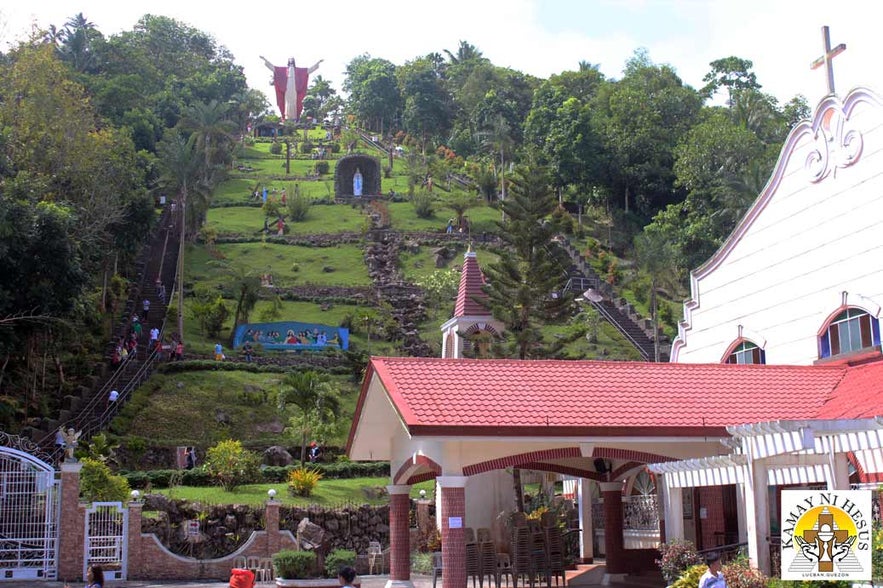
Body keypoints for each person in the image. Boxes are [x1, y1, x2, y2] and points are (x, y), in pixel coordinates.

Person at [260, 56, 323, 121]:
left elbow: (309, 70)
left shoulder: (299, 71)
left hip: (294, 88)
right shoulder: (283, 70)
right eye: (290, 59)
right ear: (288, 61)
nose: (291, 61)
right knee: (287, 102)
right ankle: (286, 117)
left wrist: (318, 63)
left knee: (295, 101)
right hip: (287, 87)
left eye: (292, 59)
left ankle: (295, 118)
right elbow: (273, 68)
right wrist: (264, 59)